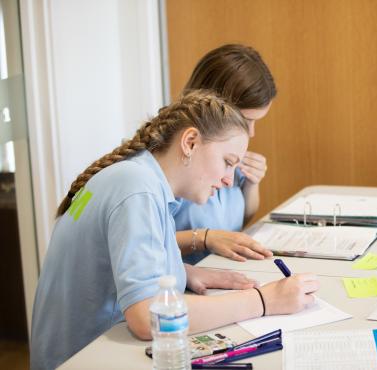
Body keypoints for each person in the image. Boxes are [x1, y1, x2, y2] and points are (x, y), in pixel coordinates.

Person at [30, 90, 319, 370]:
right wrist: (264, 301)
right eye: (227, 163)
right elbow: (147, 318)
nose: (230, 180)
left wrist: (183, 271)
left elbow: (109, 259)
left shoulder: (138, 175)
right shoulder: (138, 189)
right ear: (191, 142)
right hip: (81, 359)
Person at [173, 44, 276, 263]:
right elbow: (146, 244)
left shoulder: (227, 153)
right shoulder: (170, 162)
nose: (251, 132)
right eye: (245, 121)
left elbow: (239, 223)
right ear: (213, 106)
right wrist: (204, 238)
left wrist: (251, 183)